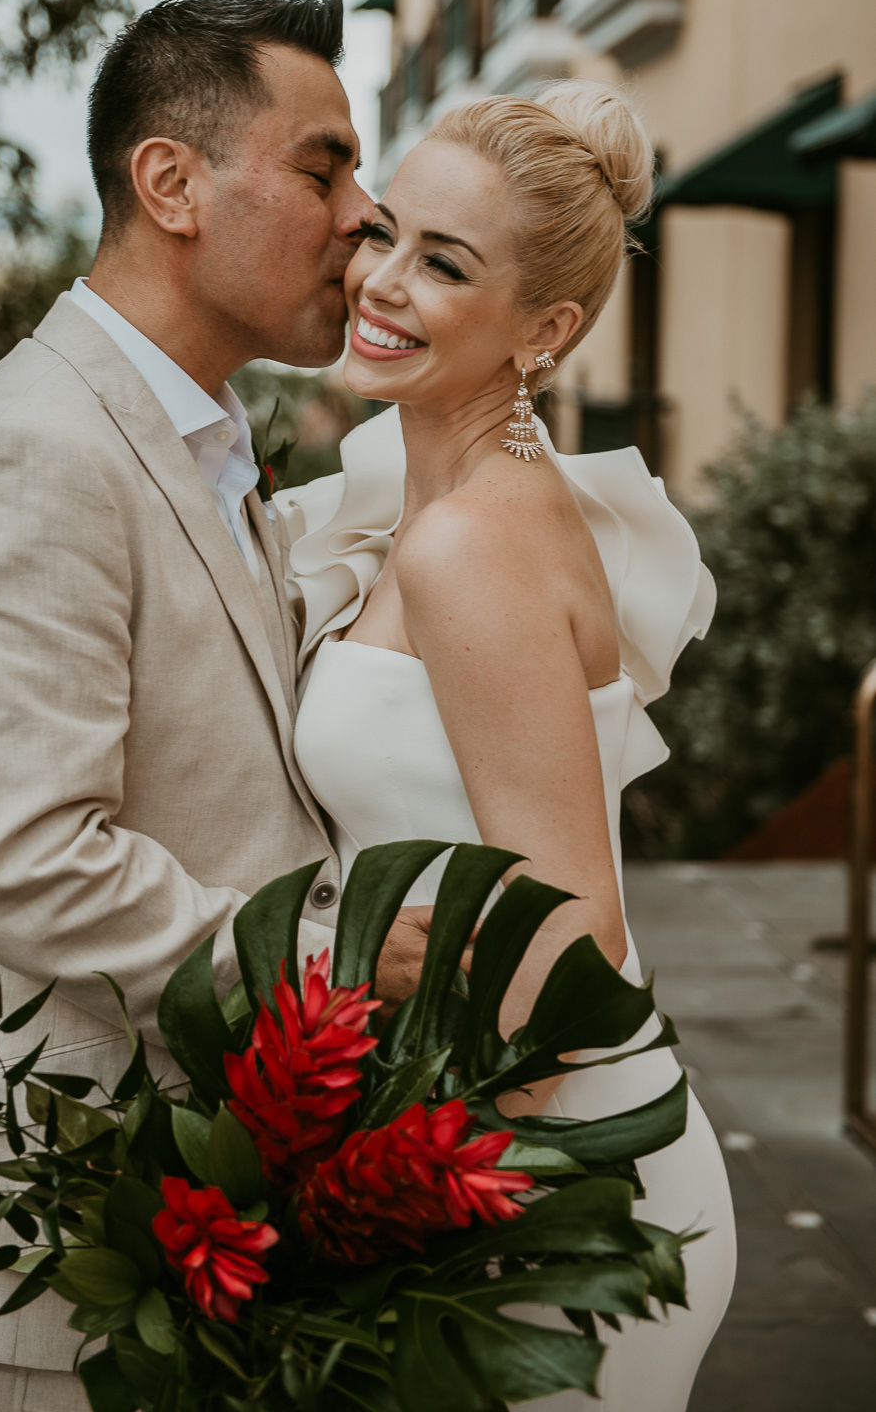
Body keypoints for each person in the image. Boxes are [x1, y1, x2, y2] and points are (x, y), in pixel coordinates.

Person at [0, 0, 433, 1410]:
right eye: (323, 166)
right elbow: (22, 859)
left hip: (222, 1225)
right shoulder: (26, 451)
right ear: (169, 181)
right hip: (57, 1245)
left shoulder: (202, 440)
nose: (365, 214)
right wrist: (337, 965)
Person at [282, 84, 737, 1411]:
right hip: (485, 1155)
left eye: (443, 264)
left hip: (547, 1198)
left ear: (544, 330)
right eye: (384, 233)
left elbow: (568, 932)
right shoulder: (422, 507)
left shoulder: (469, 542)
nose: (382, 280)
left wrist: (384, 1171)